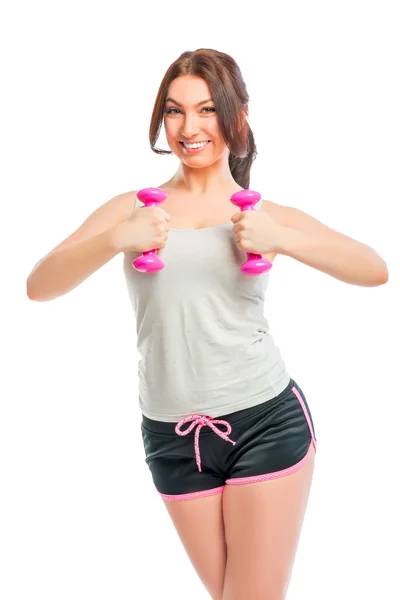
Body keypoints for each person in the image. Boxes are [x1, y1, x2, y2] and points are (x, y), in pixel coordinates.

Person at [26, 48, 389, 600]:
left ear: (236, 115)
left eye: (205, 110)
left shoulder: (261, 214)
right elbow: (39, 286)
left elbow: (375, 269)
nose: (189, 127)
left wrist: (281, 239)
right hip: (170, 436)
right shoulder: (132, 210)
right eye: (174, 111)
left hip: (264, 421)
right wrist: (112, 241)